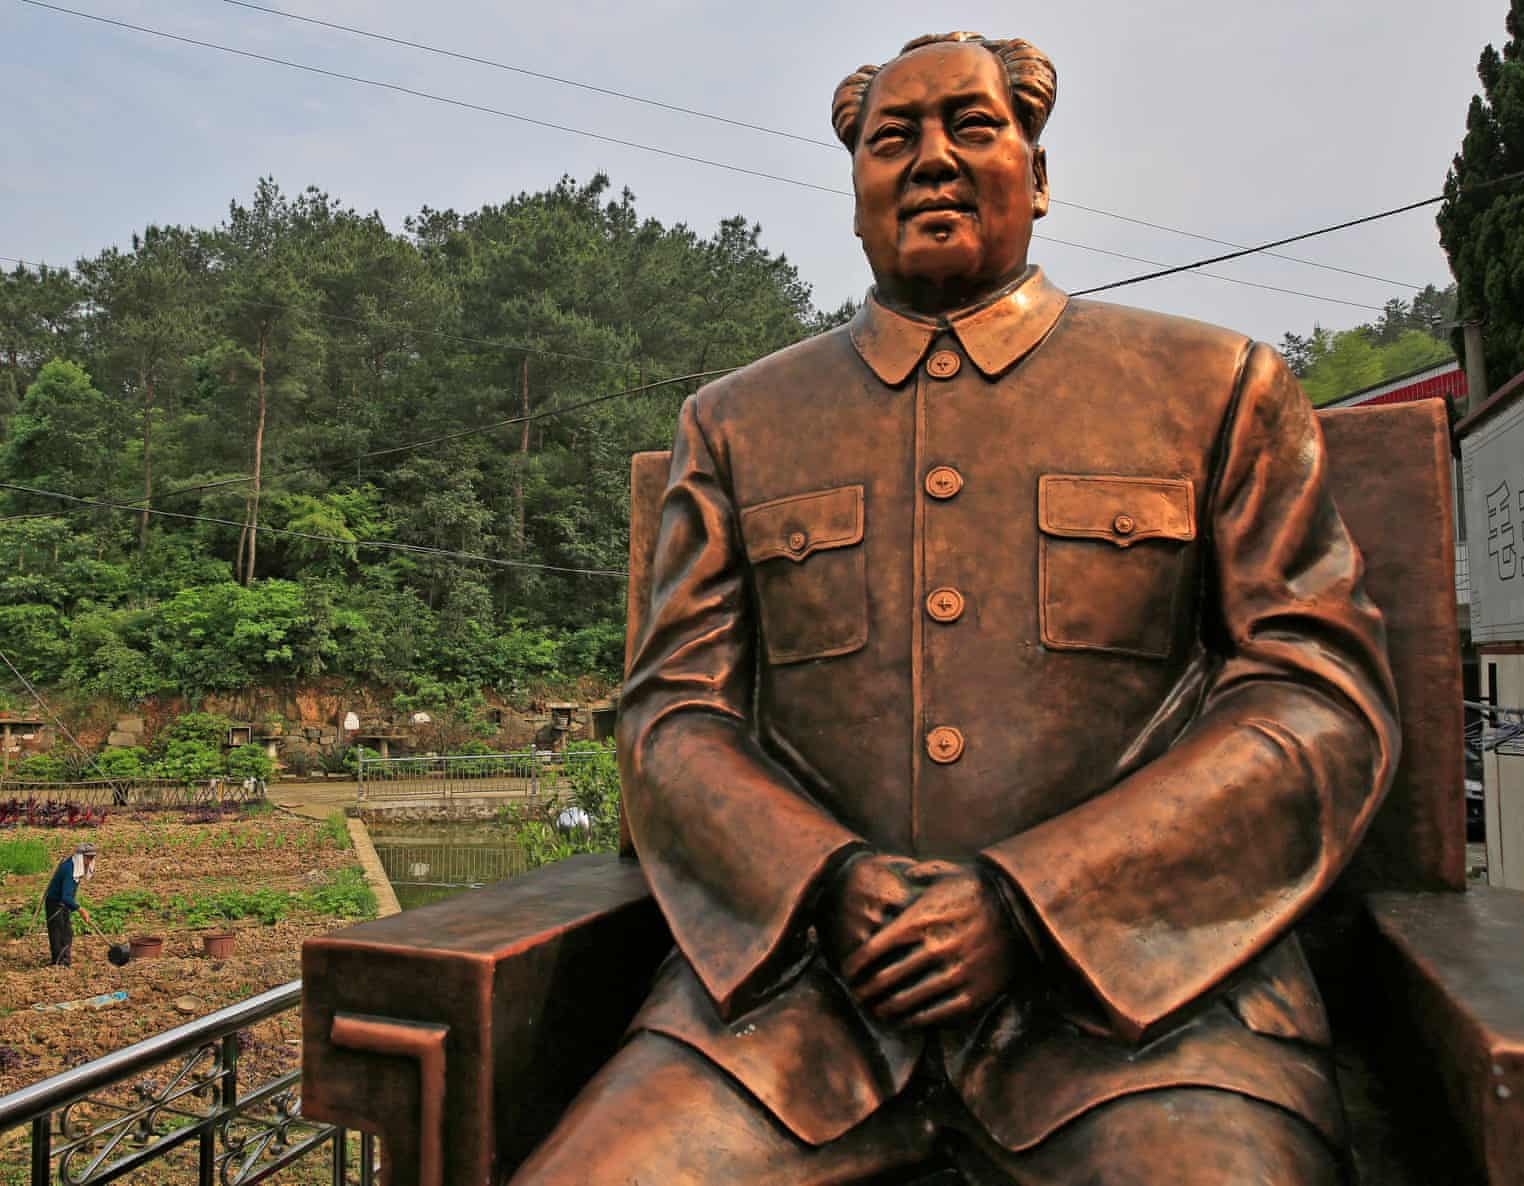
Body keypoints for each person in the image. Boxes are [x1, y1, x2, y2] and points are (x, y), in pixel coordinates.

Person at [514, 31, 1398, 1186]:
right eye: (894, 138)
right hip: (787, 1021)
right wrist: (822, 883)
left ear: (1035, 176)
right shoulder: (735, 424)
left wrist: (1035, 902)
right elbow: (672, 715)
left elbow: (1317, 695)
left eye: (970, 128)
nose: (931, 158)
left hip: (1153, 1014)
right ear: (854, 197)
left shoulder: (1215, 387)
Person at [43, 842, 95, 967]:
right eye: (88, 857)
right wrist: (81, 910)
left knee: (67, 932)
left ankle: (64, 961)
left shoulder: (74, 866)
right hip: (55, 903)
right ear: (80, 856)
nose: (89, 861)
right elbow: (66, 896)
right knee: (58, 933)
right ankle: (59, 963)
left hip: (64, 903)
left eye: (92, 858)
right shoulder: (69, 869)